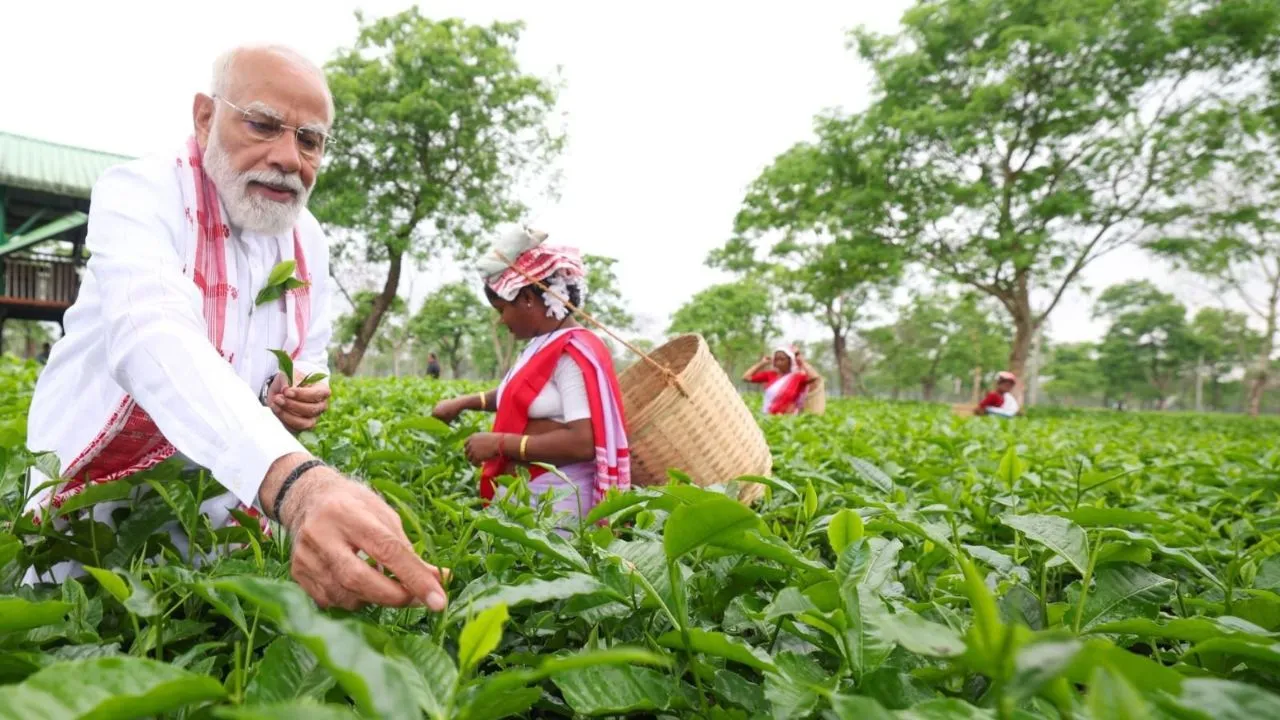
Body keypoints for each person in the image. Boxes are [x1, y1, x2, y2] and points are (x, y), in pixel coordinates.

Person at [22, 45, 447, 613]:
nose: (288, 158)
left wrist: (306, 386)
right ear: (205, 117)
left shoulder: (307, 238)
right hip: (95, 513)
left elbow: (311, 348)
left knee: (205, 628)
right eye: (263, 125)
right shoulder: (141, 193)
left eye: (310, 140)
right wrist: (298, 484)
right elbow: (152, 333)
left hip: (224, 514)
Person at [432, 226, 629, 522]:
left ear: (526, 297)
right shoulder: (543, 344)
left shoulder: (570, 352)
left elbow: (583, 443)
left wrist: (499, 443)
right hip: (532, 499)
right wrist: (463, 403)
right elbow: (520, 395)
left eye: (502, 309)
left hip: (558, 506)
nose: (501, 321)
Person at [743, 347, 821, 415]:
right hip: (768, 416)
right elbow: (746, 377)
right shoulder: (770, 375)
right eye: (776, 359)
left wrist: (801, 362)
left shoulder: (797, 377)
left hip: (788, 418)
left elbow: (815, 377)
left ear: (790, 361)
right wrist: (762, 363)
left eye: (782, 359)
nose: (779, 362)